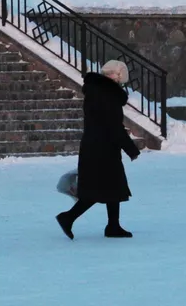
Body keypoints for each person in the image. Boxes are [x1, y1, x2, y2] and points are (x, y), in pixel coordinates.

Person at [56, 60, 141, 239]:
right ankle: (68, 217)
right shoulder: (107, 95)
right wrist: (130, 148)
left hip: (96, 146)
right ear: (116, 76)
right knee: (98, 189)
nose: (121, 82)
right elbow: (114, 125)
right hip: (103, 148)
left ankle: (113, 225)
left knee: (112, 187)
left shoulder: (96, 91)